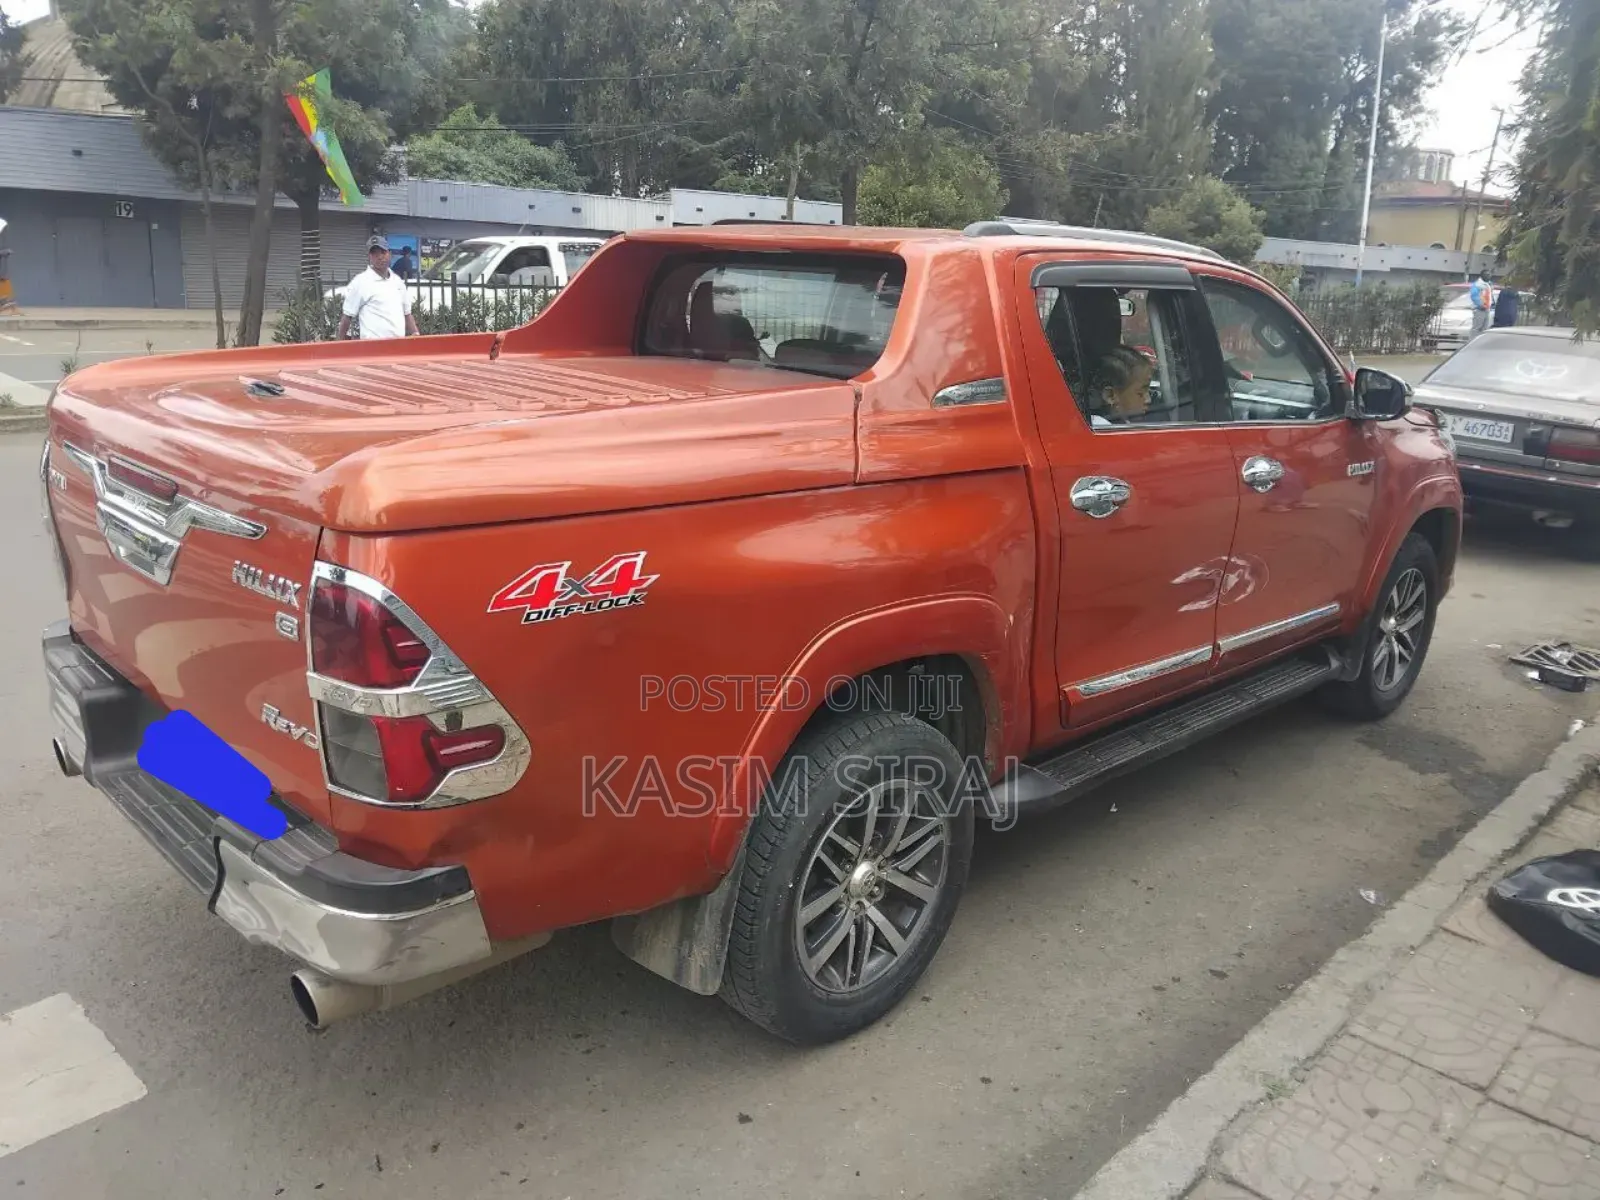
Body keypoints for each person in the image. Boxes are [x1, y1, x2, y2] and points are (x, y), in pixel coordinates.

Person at [337, 235, 420, 341]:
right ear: (370, 257)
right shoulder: (360, 282)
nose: (380, 257)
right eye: (375, 253)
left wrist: (416, 334)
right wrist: (339, 344)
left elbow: (407, 314)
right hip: (372, 350)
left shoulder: (397, 282)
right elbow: (347, 316)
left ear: (389, 254)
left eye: (383, 252)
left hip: (398, 348)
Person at [1087, 347, 1154, 427]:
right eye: (1140, 393)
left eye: (1148, 391)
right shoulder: (1103, 431)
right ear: (1111, 396)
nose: (1148, 400)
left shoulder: (1120, 425)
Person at [1468, 271, 1494, 342]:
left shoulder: (1488, 284)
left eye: (1490, 274)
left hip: (1487, 309)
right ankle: (1471, 343)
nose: (1489, 276)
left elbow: (1488, 296)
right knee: (1476, 328)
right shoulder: (1478, 284)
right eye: (1487, 274)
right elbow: (1474, 296)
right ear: (1482, 275)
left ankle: (1479, 343)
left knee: (1484, 328)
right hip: (1479, 309)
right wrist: (1480, 305)